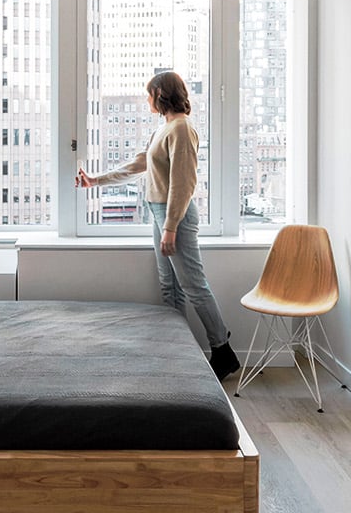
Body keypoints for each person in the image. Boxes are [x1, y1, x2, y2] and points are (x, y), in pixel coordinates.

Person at [76, 71, 241, 380]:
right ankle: (176, 351)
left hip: (173, 214)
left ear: (162, 95)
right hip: (159, 212)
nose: (146, 99)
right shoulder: (163, 130)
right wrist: (95, 181)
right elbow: (138, 165)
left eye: (149, 94)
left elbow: (183, 183)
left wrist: (171, 226)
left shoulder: (181, 129)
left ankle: (222, 350)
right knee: (170, 286)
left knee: (193, 285)